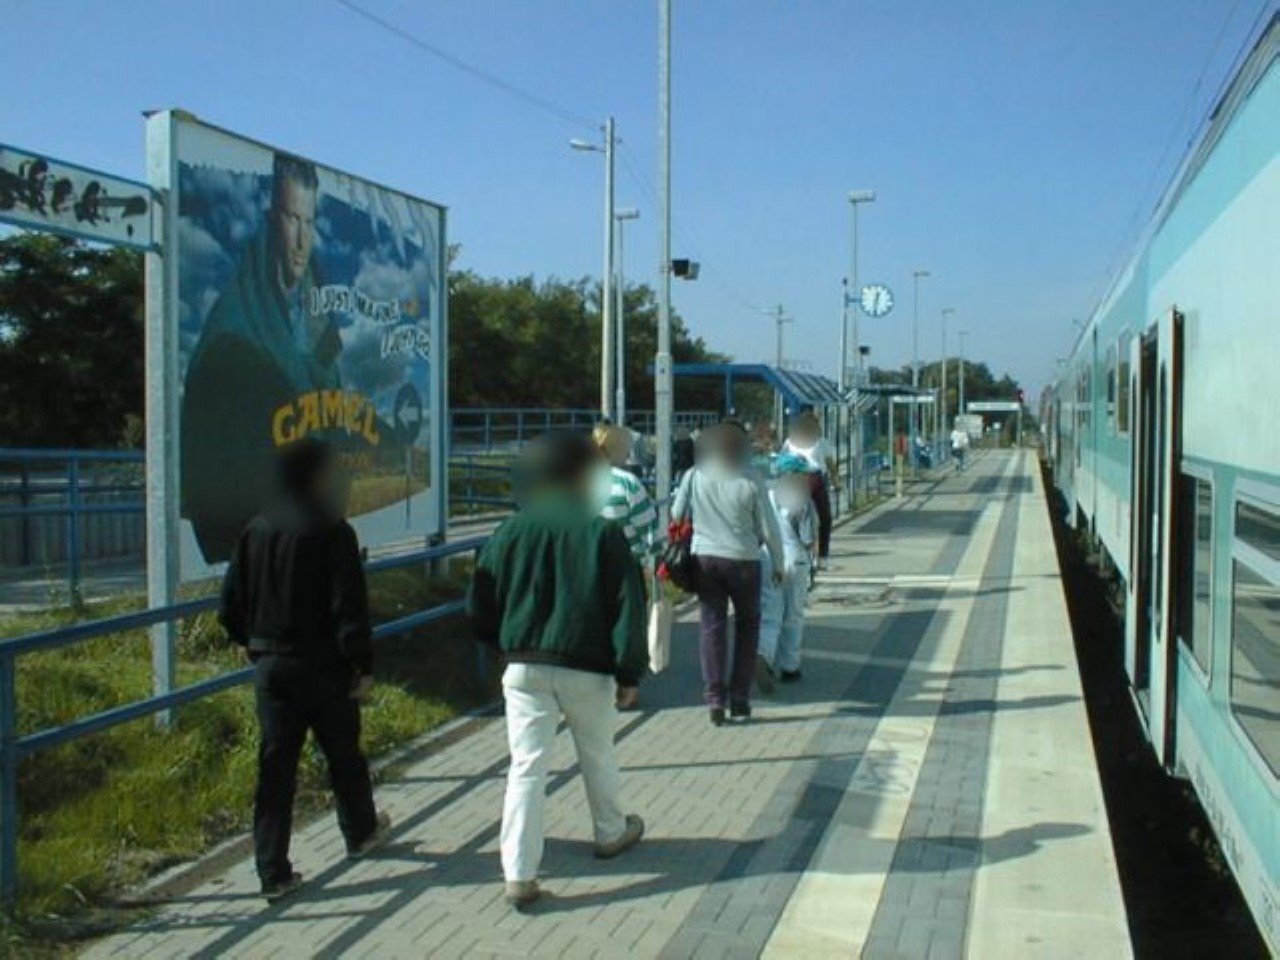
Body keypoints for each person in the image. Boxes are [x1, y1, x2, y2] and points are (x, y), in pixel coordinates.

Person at [468, 431, 648, 909]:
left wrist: (500, 644)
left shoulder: (510, 530)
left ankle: (519, 873)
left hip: (523, 666)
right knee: (597, 752)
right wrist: (629, 673)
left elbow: (479, 602)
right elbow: (628, 608)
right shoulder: (602, 532)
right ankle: (610, 832)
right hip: (587, 667)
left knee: (526, 767)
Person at [219, 439, 391, 902]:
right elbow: (348, 608)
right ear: (317, 477)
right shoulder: (334, 531)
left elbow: (230, 603)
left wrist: (249, 640)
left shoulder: (255, 529)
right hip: (325, 666)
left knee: (275, 768)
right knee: (344, 754)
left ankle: (272, 870)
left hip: (271, 666)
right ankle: (361, 832)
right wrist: (362, 664)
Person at [182, 153, 345, 564]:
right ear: (273, 220)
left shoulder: (318, 318)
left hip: (301, 531)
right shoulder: (233, 332)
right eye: (292, 220)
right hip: (261, 540)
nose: (302, 241)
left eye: (309, 222)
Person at [673, 422, 784, 725]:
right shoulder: (751, 479)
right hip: (745, 561)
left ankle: (714, 699)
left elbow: (676, 514)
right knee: (748, 627)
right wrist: (778, 563)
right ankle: (740, 698)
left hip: (705, 560)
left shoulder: (694, 475)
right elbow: (768, 528)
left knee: (712, 627)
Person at [758, 455, 818, 684]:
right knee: (793, 615)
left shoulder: (766, 496)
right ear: (794, 474)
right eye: (803, 473)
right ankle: (790, 666)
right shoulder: (803, 500)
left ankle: (764, 657)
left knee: (770, 614)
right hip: (795, 557)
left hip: (768, 556)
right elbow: (808, 538)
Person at [593, 424, 660, 569]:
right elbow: (648, 530)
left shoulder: (580, 482)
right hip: (625, 564)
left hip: (590, 563)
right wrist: (656, 555)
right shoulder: (627, 483)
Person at [782, 412, 838, 569]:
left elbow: (830, 464)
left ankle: (814, 554)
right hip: (804, 479)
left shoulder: (814, 441)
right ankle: (815, 555)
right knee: (820, 517)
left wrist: (835, 481)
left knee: (814, 517)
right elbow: (830, 464)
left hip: (806, 479)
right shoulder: (814, 442)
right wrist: (836, 482)